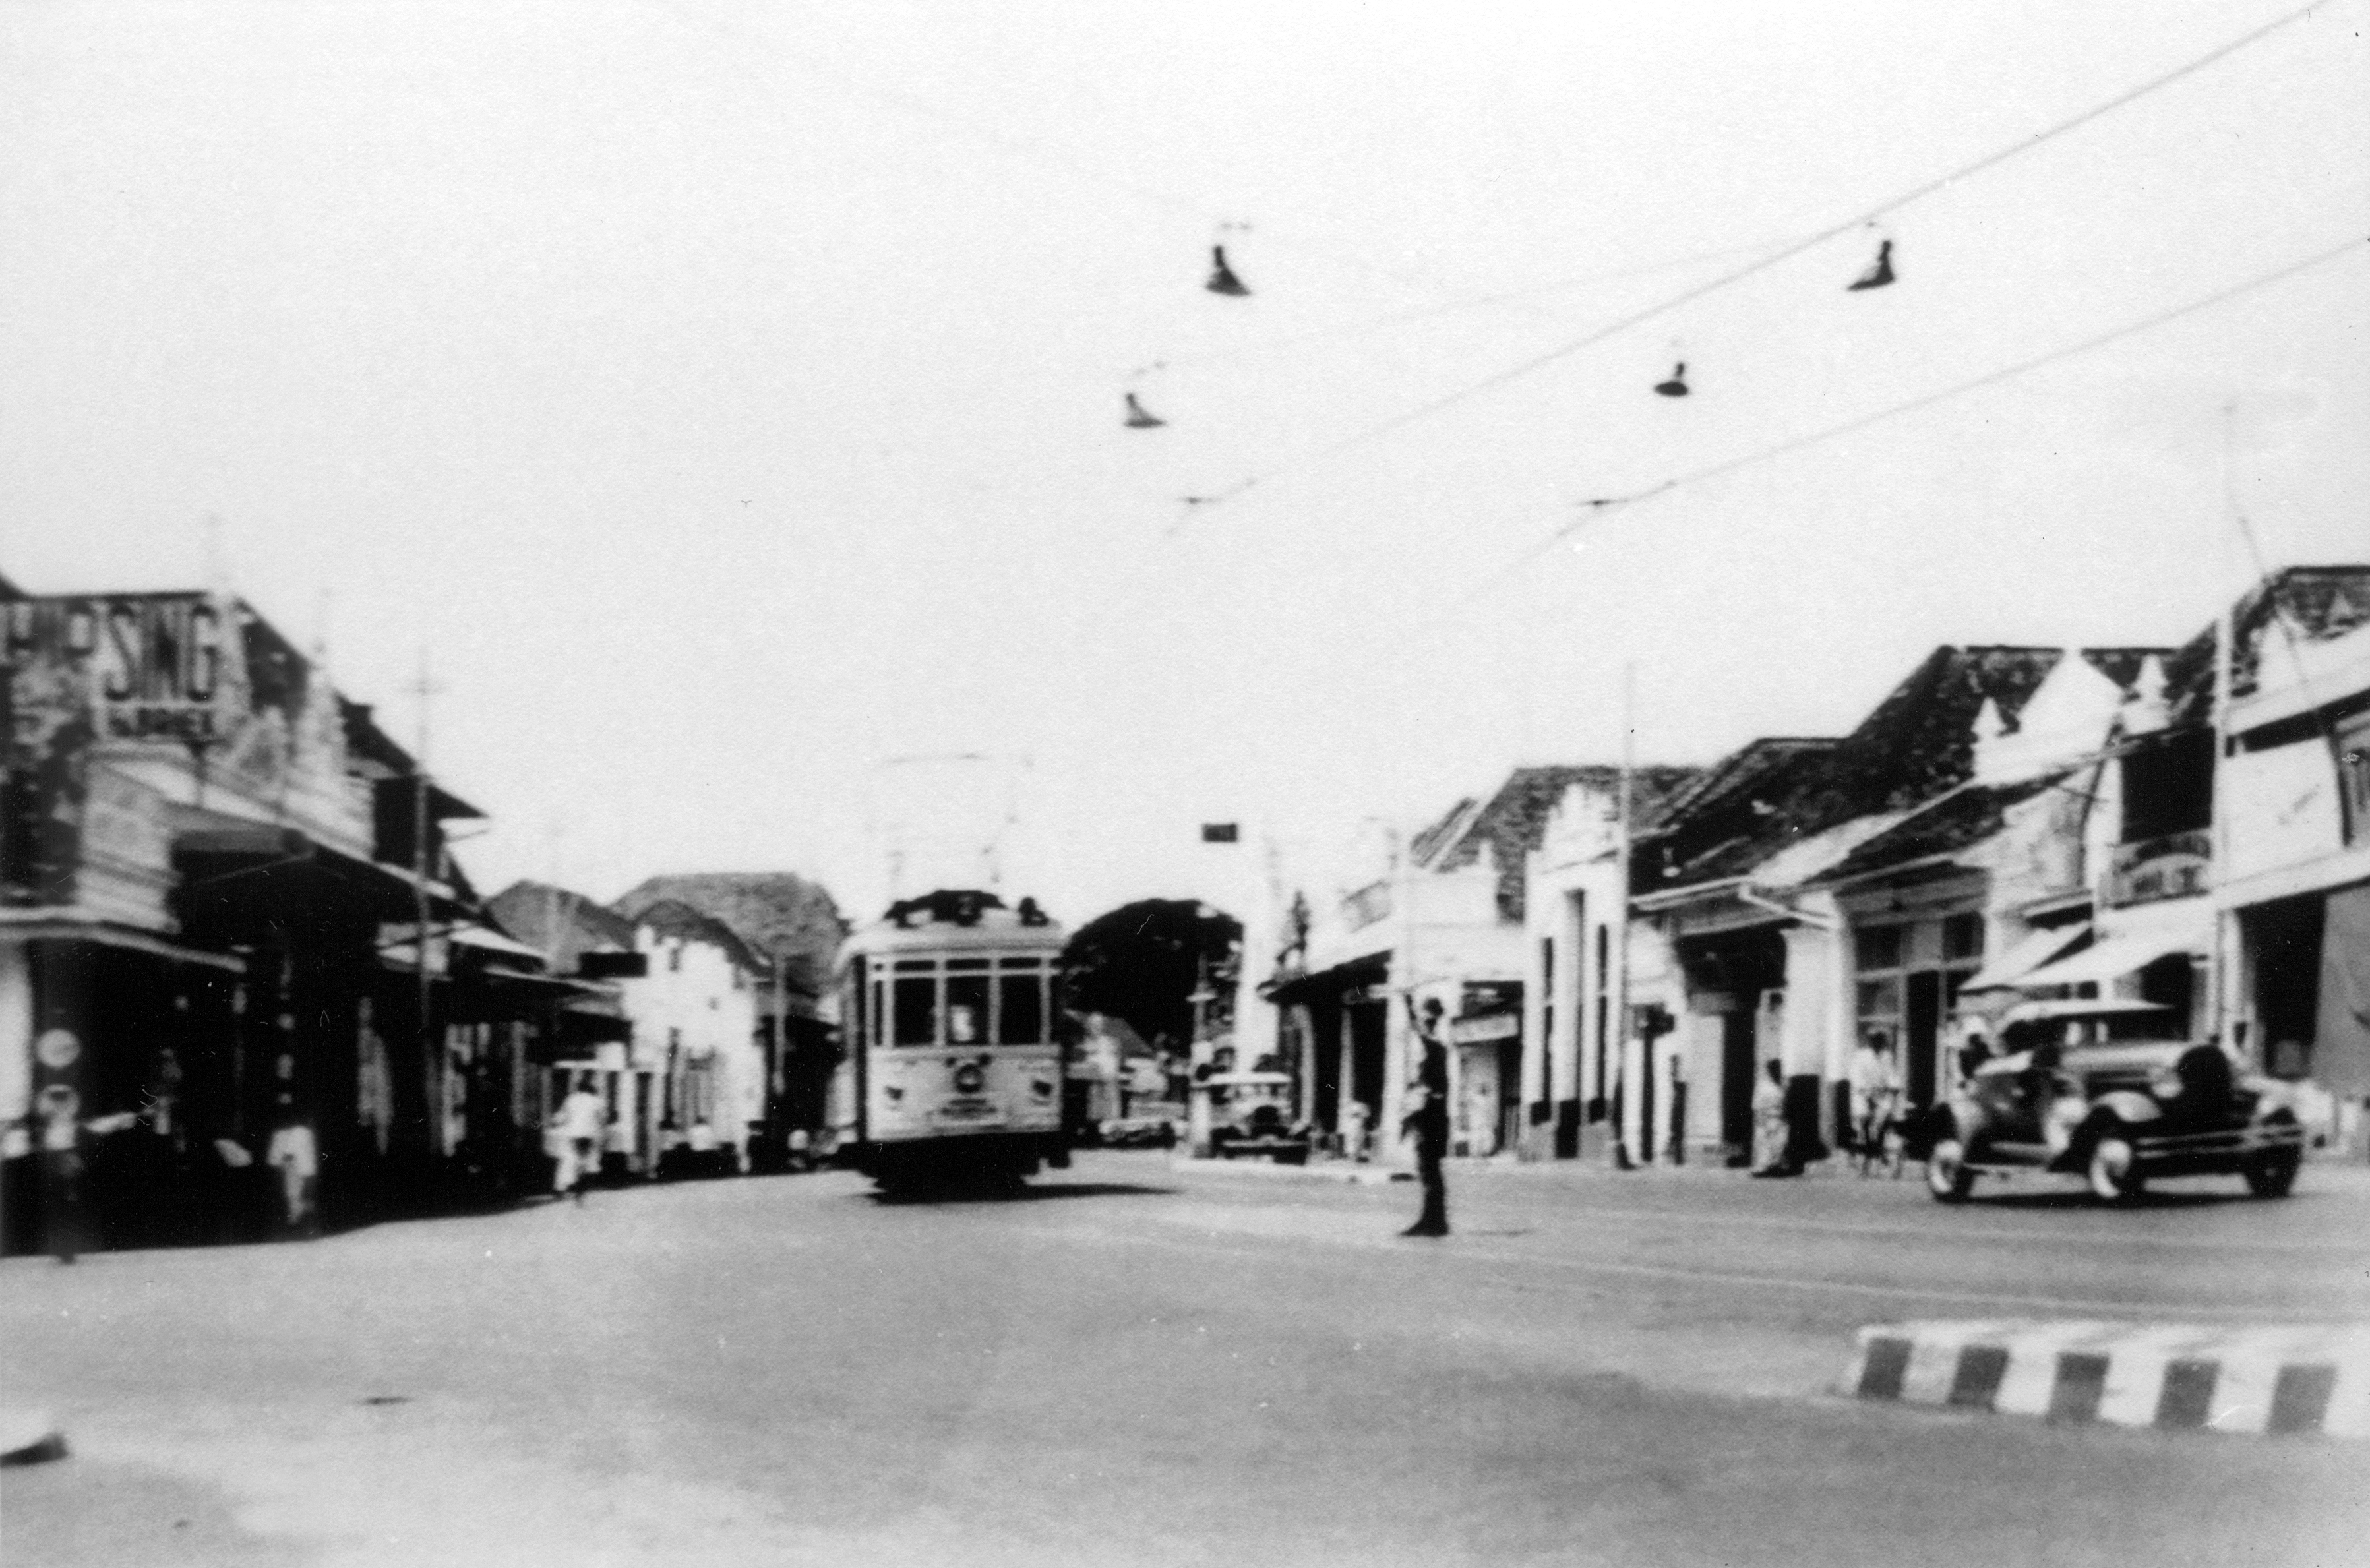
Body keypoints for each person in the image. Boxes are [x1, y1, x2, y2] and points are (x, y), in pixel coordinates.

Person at [1400, 998, 1451, 1237]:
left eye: (1427, 1018)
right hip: (1433, 1115)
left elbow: (1418, 1029)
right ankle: (1433, 1220)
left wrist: (1409, 1005)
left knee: (1429, 1169)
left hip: (1430, 1116)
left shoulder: (1434, 1046)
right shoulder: (1437, 1047)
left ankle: (1434, 1222)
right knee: (1429, 1169)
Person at [264, 1102, 320, 1237]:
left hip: (296, 1167)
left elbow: (286, 1155)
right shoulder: (287, 1133)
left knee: (295, 1193)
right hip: (294, 1167)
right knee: (293, 1193)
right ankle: (297, 1216)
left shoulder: (300, 1132)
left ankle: (297, 1217)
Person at [553, 1075, 605, 1203]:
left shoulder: (571, 1099)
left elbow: (562, 1117)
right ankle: (580, 1189)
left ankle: (561, 1187)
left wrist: (556, 1121)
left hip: (573, 1134)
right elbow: (603, 1119)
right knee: (587, 1161)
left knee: (570, 1159)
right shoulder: (597, 1100)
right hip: (590, 1135)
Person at [1748, 1060, 1790, 1176]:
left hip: (1779, 1118)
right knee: (1765, 1144)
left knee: (1780, 1142)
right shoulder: (1763, 1086)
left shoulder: (1783, 1084)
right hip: (1766, 1118)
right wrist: (1761, 1120)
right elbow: (1757, 1106)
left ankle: (1775, 1165)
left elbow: (1785, 1103)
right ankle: (1762, 1168)